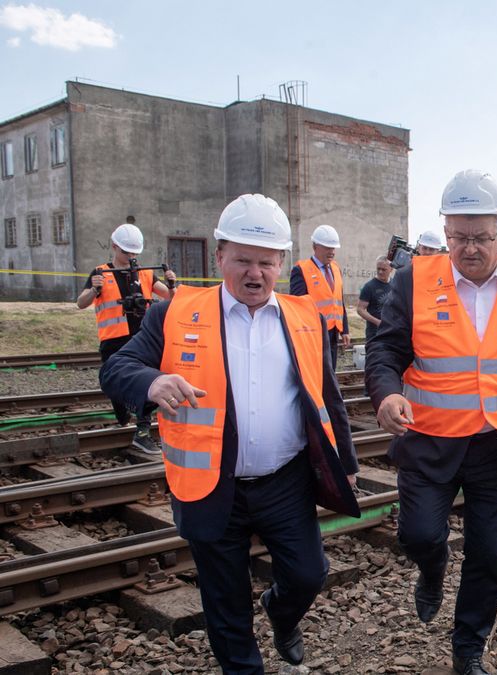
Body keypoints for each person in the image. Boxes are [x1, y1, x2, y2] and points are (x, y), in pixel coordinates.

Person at [100, 194, 360, 674]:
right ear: (221, 256)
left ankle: (282, 613)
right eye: (242, 260)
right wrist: (152, 382)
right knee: (226, 602)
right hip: (210, 485)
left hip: (284, 481)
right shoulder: (173, 313)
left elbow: (326, 395)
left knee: (309, 574)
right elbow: (117, 368)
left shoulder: (305, 318)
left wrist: (346, 463)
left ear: (281, 263)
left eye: (265, 262)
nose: (254, 273)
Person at [366, 169, 497, 675]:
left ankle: (468, 649)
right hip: (430, 440)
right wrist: (388, 395)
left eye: (480, 237)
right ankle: (431, 572)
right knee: (419, 535)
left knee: (486, 552)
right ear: (446, 232)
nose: (469, 248)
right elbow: (385, 350)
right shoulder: (414, 280)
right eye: (458, 236)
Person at [76, 221, 177, 454]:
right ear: (114, 247)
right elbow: (81, 303)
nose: (130, 256)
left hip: (142, 338)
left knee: (145, 382)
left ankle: (142, 432)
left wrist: (172, 284)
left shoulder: (145, 273)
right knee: (116, 384)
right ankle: (122, 408)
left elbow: (173, 299)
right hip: (113, 340)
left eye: (134, 252)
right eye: (126, 251)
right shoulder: (101, 272)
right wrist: (94, 290)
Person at [290, 224, 351, 364]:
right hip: (313, 333)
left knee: (330, 372)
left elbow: (339, 301)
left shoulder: (336, 269)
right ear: (315, 246)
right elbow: (297, 307)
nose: (331, 252)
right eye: (327, 247)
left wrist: (345, 330)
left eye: (333, 248)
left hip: (333, 332)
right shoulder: (301, 270)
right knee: (316, 373)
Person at [357, 256, 393, 341]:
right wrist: (377, 322)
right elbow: (360, 309)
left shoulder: (395, 284)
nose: (380, 272)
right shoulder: (369, 286)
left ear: (391, 269)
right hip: (374, 334)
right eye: (378, 269)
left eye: (384, 269)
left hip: (391, 333)